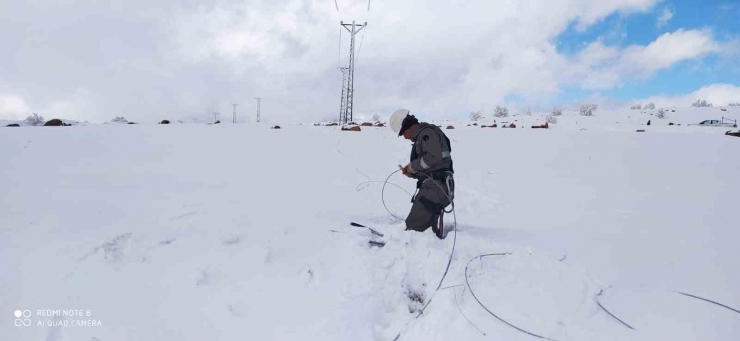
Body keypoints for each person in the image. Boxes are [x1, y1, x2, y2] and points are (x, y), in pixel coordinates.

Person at [389, 109, 455, 239]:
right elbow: (432, 165)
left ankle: (402, 249)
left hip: (435, 188)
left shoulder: (427, 134)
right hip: (436, 187)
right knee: (427, 233)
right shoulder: (423, 137)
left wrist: (412, 167)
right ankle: (429, 252)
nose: (405, 137)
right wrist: (412, 173)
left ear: (408, 126)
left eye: (403, 133)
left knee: (413, 229)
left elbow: (433, 157)